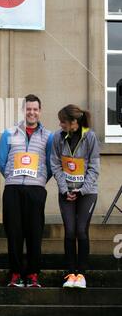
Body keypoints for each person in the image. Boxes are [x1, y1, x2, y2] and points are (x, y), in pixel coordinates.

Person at [0, 94, 53, 288]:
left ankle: (32, 275)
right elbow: (2, 162)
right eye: (28, 109)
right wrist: (14, 178)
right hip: (12, 189)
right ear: (24, 110)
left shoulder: (49, 136)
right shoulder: (8, 133)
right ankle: (15, 274)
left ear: (40, 111)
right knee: (14, 232)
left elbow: (50, 163)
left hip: (36, 190)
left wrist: (38, 181)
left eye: (35, 109)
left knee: (34, 233)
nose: (32, 112)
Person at [51, 104, 100, 289]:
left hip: (87, 192)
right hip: (66, 192)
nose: (60, 124)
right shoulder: (57, 137)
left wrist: (82, 190)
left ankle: (82, 275)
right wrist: (65, 190)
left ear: (74, 122)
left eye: (63, 121)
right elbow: (55, 164)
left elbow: (95, 167)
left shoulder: (90, 137)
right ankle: (70, 273)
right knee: (69, 231)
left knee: (81, 230)